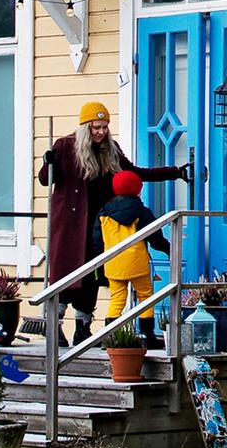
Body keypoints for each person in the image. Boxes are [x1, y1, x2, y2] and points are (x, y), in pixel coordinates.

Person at [38, 101, 184, 344]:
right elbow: (46, 180)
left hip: (102, 223)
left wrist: (174, 172)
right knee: (66, 274)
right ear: (85, 126)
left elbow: (136, 173)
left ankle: (82, 328)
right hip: (70, 224)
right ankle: (54, 326)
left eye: (105, 127)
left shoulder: (111, 149)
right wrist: (48, 162)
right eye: (96, 127)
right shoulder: (64, 147)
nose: (101, 132)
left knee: (94, 274)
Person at [96, 169, 171, 329]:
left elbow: (96, 241)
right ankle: (147, 334)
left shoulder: (103, 213)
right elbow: (155, 238)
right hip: (137, 263)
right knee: (145, 296)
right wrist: (170, 250)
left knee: (117, 298)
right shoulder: (143, 212)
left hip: (112, 262)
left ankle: (110, 335)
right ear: (138, 189)